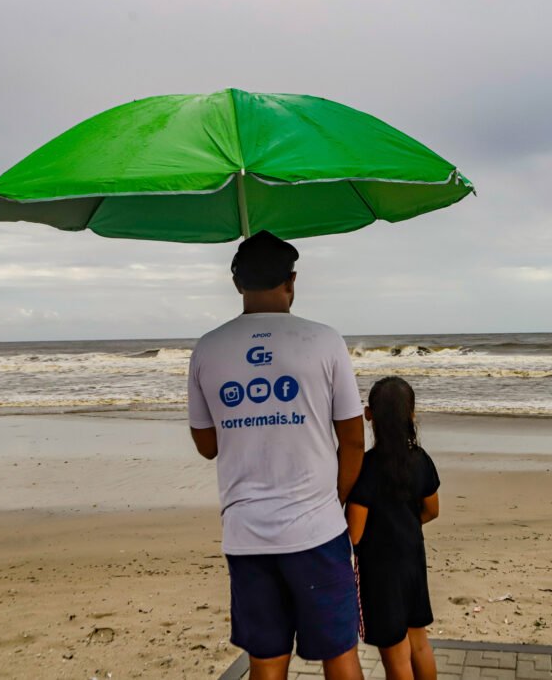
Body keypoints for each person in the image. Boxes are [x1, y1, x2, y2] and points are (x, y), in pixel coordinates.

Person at [187, 230, 366, 680]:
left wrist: (250, 416)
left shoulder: (208, 348)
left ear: (236, 283)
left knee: (266, 661)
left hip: (246, 534)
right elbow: (353, 439)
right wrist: (335, 500)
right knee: (339, 656)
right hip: (318, 530)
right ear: (292, 281)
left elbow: (207, 446)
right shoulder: (325, 340)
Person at [345, 377, 440, 680]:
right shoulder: (421, 459)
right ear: (412, 415)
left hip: (380, 572)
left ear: (368, 414)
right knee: (419, 644)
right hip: (413, 559)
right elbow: (431, 510)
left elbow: (355, 533)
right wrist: (405, 525)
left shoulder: (367, 468)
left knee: (396, 656)